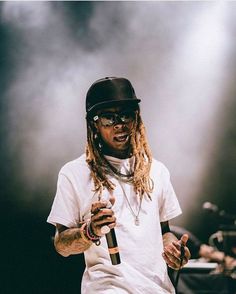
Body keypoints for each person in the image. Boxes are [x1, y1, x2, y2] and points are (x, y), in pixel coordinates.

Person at [47, 77, 191, 293]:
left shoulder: (156, 170)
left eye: (126, 115)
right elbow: (61, 245)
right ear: (94, 123)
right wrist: (90, 232)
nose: (119, 125)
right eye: (109, 118)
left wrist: (173, 250)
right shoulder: (74, 173)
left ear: (136, 118)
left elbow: (164, 231)